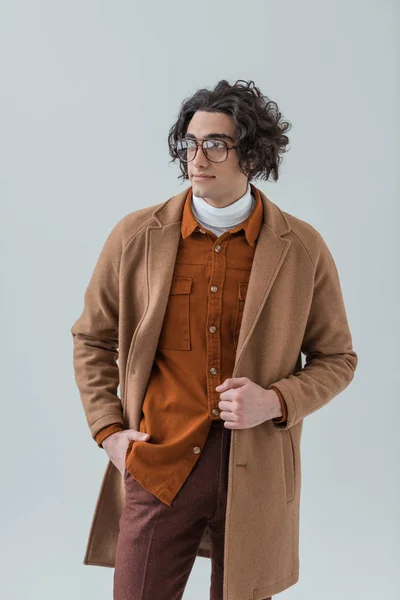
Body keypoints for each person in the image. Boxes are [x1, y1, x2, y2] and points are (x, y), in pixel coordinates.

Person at [71, 79, 358, 600]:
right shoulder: (137, 237)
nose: (197, 157)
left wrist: (274, 400)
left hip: (255, 475)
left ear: (251, 152)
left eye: (216, 144)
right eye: (190, 142)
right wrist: (108, 431)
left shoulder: (301, 249)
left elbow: (337, 358)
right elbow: (91, 338)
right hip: (158, 463)